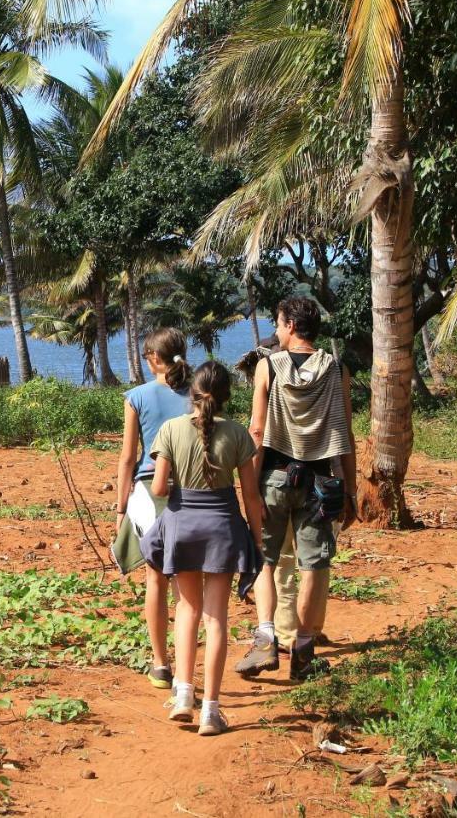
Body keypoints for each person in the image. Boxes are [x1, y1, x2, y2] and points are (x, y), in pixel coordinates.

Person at [236, 297, 356, 682]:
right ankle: (303, 650)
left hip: (273, 475)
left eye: (277, 322)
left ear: (290, 325)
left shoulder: (267, 366)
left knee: (265, 559)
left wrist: (250, 491)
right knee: (314, 565)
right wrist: (351, 490)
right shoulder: (336, 369)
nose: (275, 329)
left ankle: (266, 639)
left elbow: (257, 430)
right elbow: (345, 435)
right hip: (321, 482)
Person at [141, 361, 263, 736]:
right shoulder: (239, 434)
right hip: (223, 528)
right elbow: (251, 496)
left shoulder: (172, 430)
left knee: (187, 611)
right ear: (226, 396)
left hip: (182, 526)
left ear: (192, 393)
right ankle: (210, 710)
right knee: (216, 619)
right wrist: (256, 538)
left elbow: (159, 489)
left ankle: (182, 695)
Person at [112, 329, 193, 690]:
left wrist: (120, 508)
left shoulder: (137, 397)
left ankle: (161, 664)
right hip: (192, 489)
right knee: (188, 583)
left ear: (154, 359)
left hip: (147, 491)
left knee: (155, 578)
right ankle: (189, 667)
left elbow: (129, 457)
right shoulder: (200, 393)